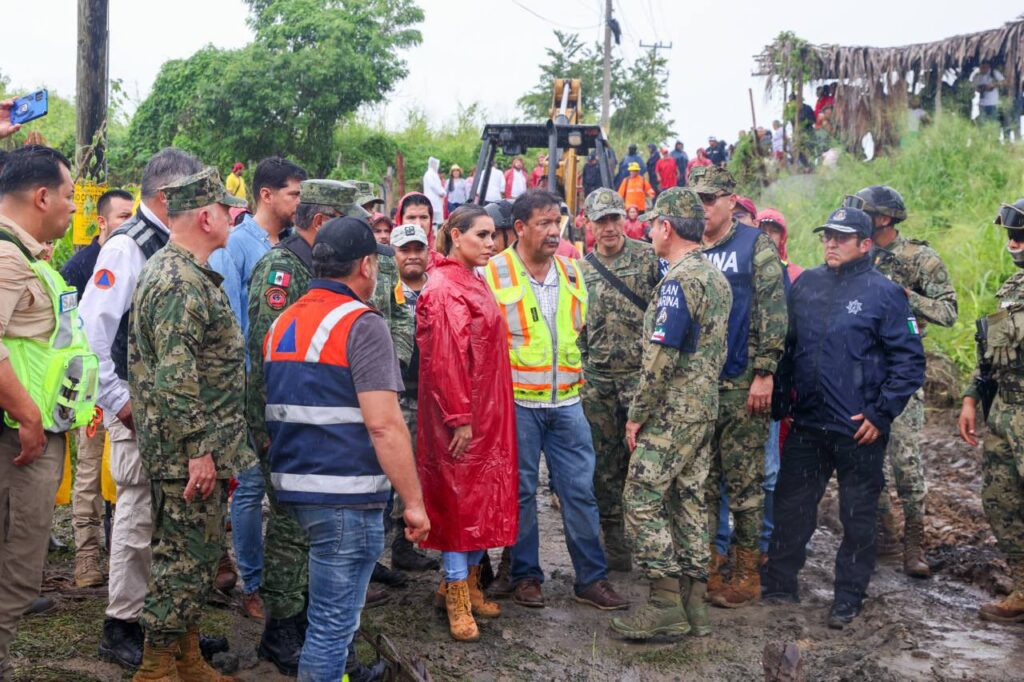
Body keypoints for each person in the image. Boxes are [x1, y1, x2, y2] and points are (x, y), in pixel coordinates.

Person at [262, 216, 429, 679]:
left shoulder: (285, 319)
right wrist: (413, 503)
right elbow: (385, 426)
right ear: (367, 267)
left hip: (296, 488)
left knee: (328, 621)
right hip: (345, 495)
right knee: (332, 627)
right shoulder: (362, 324)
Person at [762, 206, 925, 629]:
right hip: (809, 423)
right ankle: (779, 584)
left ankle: (848, 597)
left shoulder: (885, 293)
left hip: (859, 430)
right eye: (827, 236)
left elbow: (909, 362)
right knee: (792, 507)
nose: (830, 243)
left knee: (858, 517)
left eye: (841, 237)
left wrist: (880, 414)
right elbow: (787, 347)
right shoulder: (807, 285)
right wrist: (783, 404)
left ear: (865, 244)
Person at [79, 148, 205, 669]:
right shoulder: (128, 247)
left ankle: (162, 629)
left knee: (166, 521)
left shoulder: (169, 243)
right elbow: (92, 332)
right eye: (195, 192)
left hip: (166, 407)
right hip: (136, 406)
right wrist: (118, 400)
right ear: (165, 197)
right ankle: (122, 623)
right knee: (135, 514)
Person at [128, 167, 253, 679]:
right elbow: (175, 375)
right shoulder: (178, 279)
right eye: (226, 209)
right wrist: (199, 450)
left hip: (192, 447)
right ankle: (156, 666)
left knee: (197, 559)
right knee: (183, 563)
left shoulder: (183, 272)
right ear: (206, 216)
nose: (232, 216)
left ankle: (185, 656)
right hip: (188, 453)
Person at [246, 180, 373, 675]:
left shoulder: (309, 269)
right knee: (288, 532)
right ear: (322, 223)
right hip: (286, 421)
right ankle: (282, 628)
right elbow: (269, 355)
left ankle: (315, 629)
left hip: (316, 421)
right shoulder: (283, 269)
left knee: (312, 536)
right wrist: (273, 431)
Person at [483, 189, 627, 611]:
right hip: (518, 405)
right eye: (543, 223)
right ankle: (526, 577)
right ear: (520, 227)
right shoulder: (494, 273)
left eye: (557, 222)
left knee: (580, 491)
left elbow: (578, 330)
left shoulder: (571, 271)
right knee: (522, 492)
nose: (553, 231)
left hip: (567, 402)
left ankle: (591, 579)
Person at [609, 188, 732, 640]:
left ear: (666, 227)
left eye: (652, 224)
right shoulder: (715, 277)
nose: (647, 232)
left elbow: (662, 357)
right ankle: (695, 606)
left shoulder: (679, 282)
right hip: (703, 407)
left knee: (640, 495)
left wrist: (636, 414)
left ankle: (664, 602)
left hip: (672, 409)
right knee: (689, 499)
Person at [0, 145, 96, 680]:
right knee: (18, 567)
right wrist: (30, 419)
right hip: (17, 441)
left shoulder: (25, 253)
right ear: (41, 197)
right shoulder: (7, 258)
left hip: (23, 437)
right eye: (67, 196)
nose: (71, 208)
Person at [209, 155, 308, 620]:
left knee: (288, 487)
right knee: (248, 488)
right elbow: (232, 324)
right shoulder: (237, 245)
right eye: (292, 193)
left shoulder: (292, 246)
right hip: (251, 388)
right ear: (265, 194)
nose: (298, 202)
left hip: (289, 387)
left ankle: (287, 579)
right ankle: (253, 581)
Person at [844, 186, 958, 578]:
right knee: (865, 462)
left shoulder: (920, 258)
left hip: (901, 374)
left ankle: (914, 546)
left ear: (884, 219)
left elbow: (948, 311)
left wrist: (906, 295)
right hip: (861, 374)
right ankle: (885, 537)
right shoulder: (855, 255)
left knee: (906, 465)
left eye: (865, 214)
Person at [416, 206, 518, 641]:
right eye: (481, 235)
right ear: (456, 236)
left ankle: (467, 582)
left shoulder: (472, 280)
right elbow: (445, 359)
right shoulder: (442, 287)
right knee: (458, 503)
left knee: (481, 500)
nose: (491, 243)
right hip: (459, 417)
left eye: (493, 235)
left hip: (487, 411)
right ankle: (456, 589)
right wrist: (459, 417)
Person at [690, 165, 787, 609]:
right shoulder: (690, 248)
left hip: (742, 383)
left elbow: (774, 310)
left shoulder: (755, 245)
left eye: (711, 199)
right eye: (698, 199)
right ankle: (711, 563)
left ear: (732, 200)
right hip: (699, 386)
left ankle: (746, 574)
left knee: (746, 486)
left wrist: (764, 372)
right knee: (704, 481)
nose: (704, 207)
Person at [577, 188, 662, 574]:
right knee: (603, 466)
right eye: (601, 221)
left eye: (614, 219)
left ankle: (650, 545)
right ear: (588, 224)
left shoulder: (647, 258)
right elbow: (576, 325)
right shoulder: (581, 268)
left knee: (644, 464)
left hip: (639, 380)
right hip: (597, 384)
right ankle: (616, 547)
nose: (609, 228)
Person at [60, 188, 133, 589]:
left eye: (132, 215)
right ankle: (86, 556)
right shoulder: (81, 265)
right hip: (90, 390)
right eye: (123, 216)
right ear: (101, 222)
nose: (130, 223)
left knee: (122, 475)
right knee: (89, 471)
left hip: (126, 383)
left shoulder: (139, 256)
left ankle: (120, 552)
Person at [958, 198, 1024, 623]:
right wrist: (969, 397)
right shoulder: (1011, 289)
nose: (1014, 243)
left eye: (1020, 235)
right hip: (1004, 412)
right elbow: (990, 357)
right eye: (1011, 236)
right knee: (1002, 502)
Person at [422, 157, 446, 230]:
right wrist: (442, 192)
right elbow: (434, 186)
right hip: (433, 199)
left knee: (436, 220)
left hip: (435, 199)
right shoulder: (429, 174)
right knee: (433, 219)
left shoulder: (433, 174)